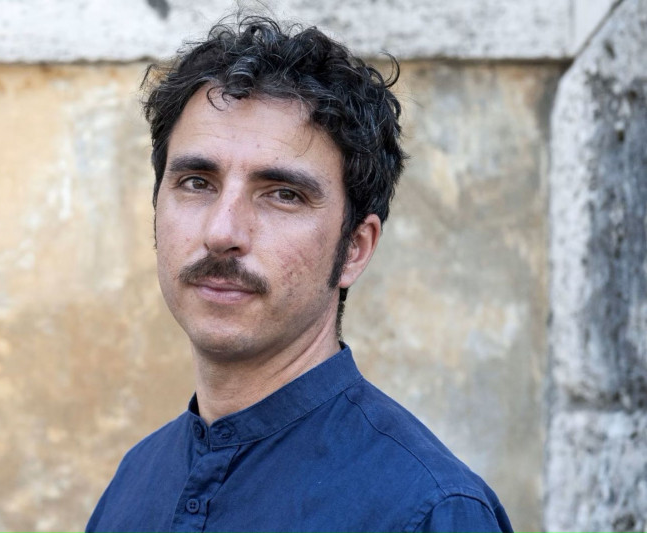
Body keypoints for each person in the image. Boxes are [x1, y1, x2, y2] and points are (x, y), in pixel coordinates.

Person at [86, 15, 513, 533]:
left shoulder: (430, 511)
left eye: (284, 194)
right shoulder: (136, 479)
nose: (222, 232)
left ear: (354, 248)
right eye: (197, 182)